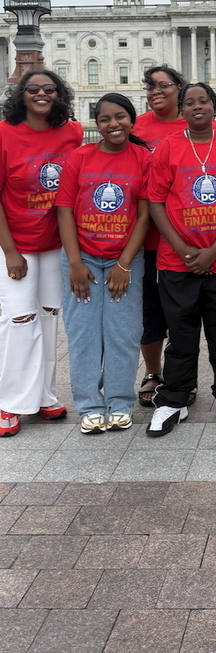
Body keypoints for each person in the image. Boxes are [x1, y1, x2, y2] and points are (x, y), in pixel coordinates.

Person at [146, 82, 216, 435]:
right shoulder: (167, 148)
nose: (198, 107)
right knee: (181, 336)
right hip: (176, 261)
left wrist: (213, 251)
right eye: (190, 102)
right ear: (181, 110)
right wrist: (183, 249)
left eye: (204, 101)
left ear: (214, 107)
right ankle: (174, 399)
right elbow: (155, 203)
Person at [56, 94, 150, 434]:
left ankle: (120, 402)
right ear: (96, 124)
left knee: (123, 333)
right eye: (105, 119)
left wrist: (124, 264)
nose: (114, 124)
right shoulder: (80, 157)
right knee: (83, 334)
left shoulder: (143, 159)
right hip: (81, 258)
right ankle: (89, 405)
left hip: (124, 258)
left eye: (120, 116)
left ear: (132, 120)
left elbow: (144, 215)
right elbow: (64, 210)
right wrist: (74, 262)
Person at [0, 69, 83, 437]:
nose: (42, 94)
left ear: (58, 94)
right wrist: (9, 251)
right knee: (19, 320)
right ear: (21, 95)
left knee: (49, 319)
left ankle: (44, 395)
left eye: (49, 89)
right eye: (33, 89)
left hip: (55, 244)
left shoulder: (72, 132)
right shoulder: (4, 134)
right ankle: (10, 401)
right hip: (17, 243)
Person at [132, 65, 187, 407]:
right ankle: (153, 371)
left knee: (181, 313)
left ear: (179, 87)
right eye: (150, 86)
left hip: (182, 238)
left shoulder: (197, 124)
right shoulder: (136, 126)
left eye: (163, 85)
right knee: (148, 310)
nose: (155, 91)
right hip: (143, 237)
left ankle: (181, 375)